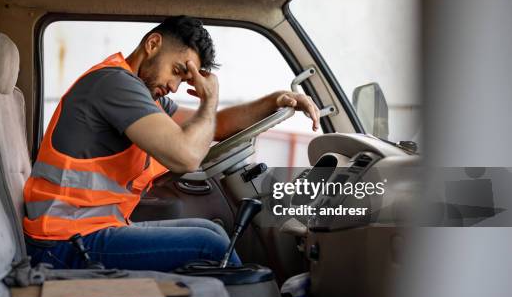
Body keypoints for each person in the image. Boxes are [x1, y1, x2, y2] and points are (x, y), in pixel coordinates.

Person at [23, 15, 320, 272]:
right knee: (210, 245)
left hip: (84, 231)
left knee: (211, 230)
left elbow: (219, 125)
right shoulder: (114, 85)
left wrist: (275, 100)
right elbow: (187, 157)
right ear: (153, 44)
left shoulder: (140, 93)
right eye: (178, 71)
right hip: (63, 243)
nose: (176, 86)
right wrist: (209, 98)